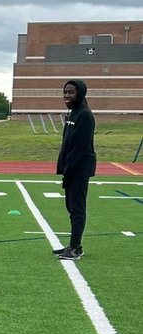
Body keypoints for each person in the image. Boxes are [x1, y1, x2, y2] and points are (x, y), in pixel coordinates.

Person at [53, 79, 96, 260]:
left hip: (79, 170)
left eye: (71, 92)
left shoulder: (84, 115)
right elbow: (67, 144)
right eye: (65, 92)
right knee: (71, 207)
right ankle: (73, 244)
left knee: (77, 208)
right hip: (70, 169)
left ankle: (75, 248)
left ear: (80, 93)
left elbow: (80, 148)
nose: (67, 96)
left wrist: (69, 171)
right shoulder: (72, 114)